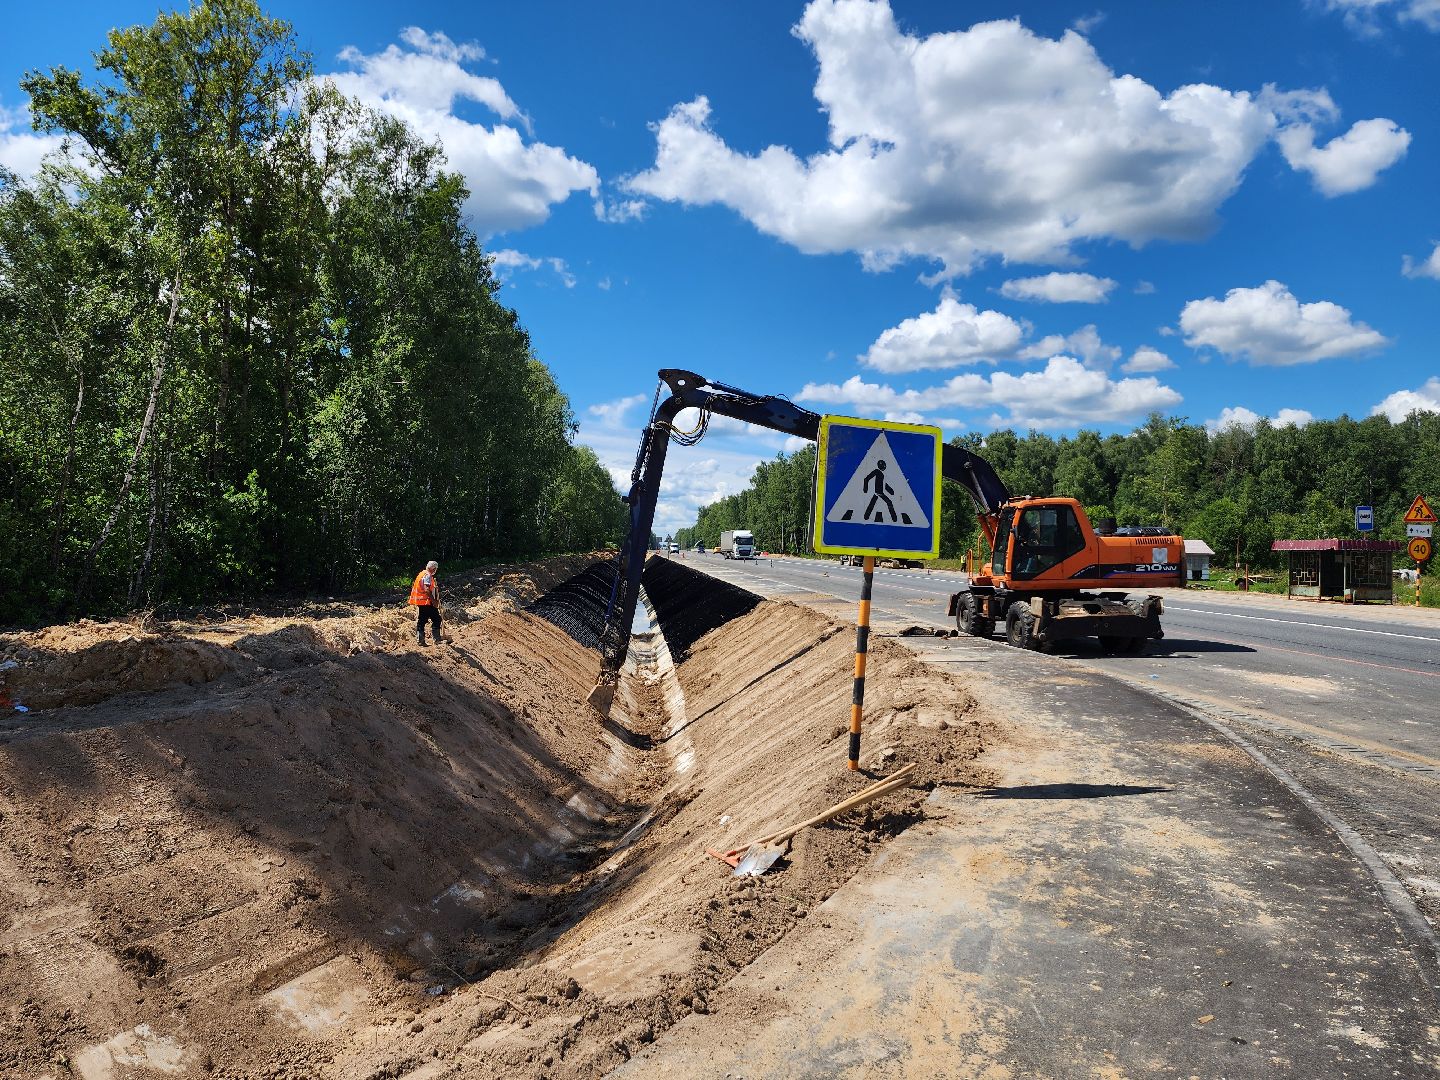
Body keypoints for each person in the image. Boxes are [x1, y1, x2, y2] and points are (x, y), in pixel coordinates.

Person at [408, 560, 442, 645]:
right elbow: (427, 589)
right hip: (427, 601)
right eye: (435, 569)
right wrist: (434, 601)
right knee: (437, 619)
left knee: (422, 620)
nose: (435, 571)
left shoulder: (421, 574)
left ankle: (420, 640)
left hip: (421, 602)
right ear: (433, 568)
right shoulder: (428, 575)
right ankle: (437, 639)